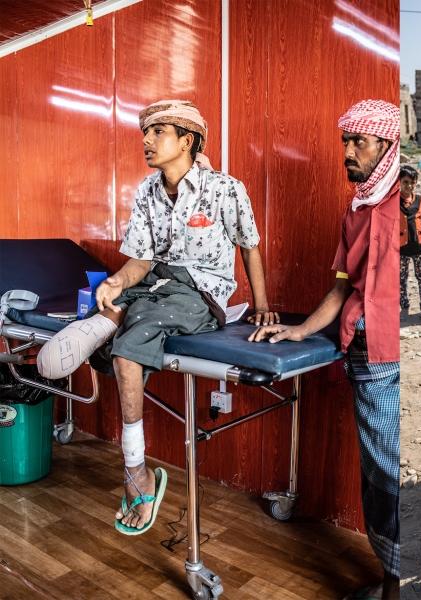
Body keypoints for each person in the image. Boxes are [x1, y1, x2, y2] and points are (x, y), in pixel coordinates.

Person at [35, 99, 274, 535]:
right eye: (145, 133)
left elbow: (250, 246)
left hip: (202, 290)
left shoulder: (225, 188)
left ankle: (137, 472)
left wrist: (260, 305)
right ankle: (111, 313)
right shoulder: (146, 191)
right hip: (154, 281)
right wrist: (116, 283)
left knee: (127, 353)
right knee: (125, 296)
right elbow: (140, 262)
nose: (146, 141)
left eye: (157, 132)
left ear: (187, 141)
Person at [249, 99, 402, 600]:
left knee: (391, 467)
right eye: (346, 143)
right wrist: (299, 331)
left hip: (395, 351)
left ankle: (398, 580)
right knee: (380, 468)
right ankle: (392, 575)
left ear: (385, 144)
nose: (349, 152)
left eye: (358, 142)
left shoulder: (403, 200)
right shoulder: (356, 209)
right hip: (364, 352)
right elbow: (341, 285)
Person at [398, 165, 421, 321]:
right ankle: (404, 307)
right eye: (405, 182)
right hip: (401, 249)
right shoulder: (394, 201)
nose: (409, 186)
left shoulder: (420, 200)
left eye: (412, 182)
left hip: (419, 248)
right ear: (399, 182)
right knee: (401, 280)